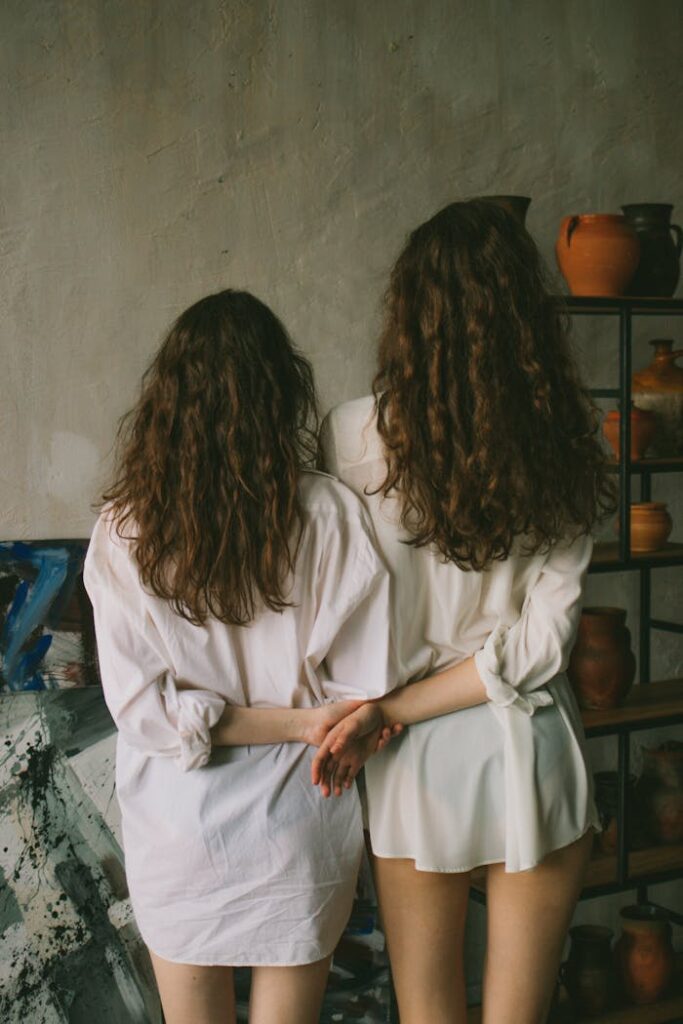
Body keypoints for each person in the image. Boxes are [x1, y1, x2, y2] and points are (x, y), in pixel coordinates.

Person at [313, 200, 616, 1024]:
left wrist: (383, 708)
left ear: (408, 314)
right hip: (528, 748)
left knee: (428, 1014)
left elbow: (326, 612)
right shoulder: (564, 435)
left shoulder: (349, 435)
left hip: (412, 759)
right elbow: (542, 645)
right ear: (526, 314)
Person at [84, 289, 397, 1024]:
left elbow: (147, 718)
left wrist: (286, 723)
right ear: (278, 395)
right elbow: (362, 698)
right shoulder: (327, 514)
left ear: (165, 403)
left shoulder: (124, 530)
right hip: (299, 828)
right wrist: (304, 725)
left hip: (179, 834)